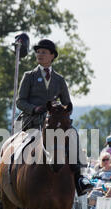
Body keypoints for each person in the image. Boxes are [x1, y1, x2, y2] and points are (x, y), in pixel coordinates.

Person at [16, 39, 93, 196]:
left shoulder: (59, 79)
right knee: (21, 149)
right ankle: (13, 178)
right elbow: (20, 101)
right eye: (38, 52)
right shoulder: (29, 76)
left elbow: (67, 103)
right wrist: (34, 108)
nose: (39, 54)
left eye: (43, 52)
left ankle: (79, 178)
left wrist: (61, 112)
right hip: (33, 121)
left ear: (52, 56)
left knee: (73, 135)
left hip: (54, 121)